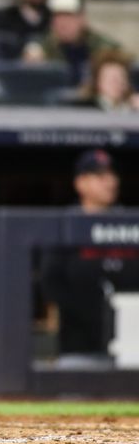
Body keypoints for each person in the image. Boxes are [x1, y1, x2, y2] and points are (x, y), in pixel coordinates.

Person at [39, 149, 132, 369]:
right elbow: (50, 284)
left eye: (112, 175)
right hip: (79, 348)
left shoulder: (129, 224)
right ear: (81, 183)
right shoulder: (65, 227)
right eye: (100, 176)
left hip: (130, 346)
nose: (110, 182)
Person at [22, 0, 120, 85]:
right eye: (57, 17)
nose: (63, 23)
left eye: (69, 16)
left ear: (82, 18)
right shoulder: (43, 47)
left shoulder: (104, 47)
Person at [75, 50, 139, 112]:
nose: (117, 84)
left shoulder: (133, 106)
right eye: (111, 79)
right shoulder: (84, 108)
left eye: (122, 78)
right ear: (98, 82)